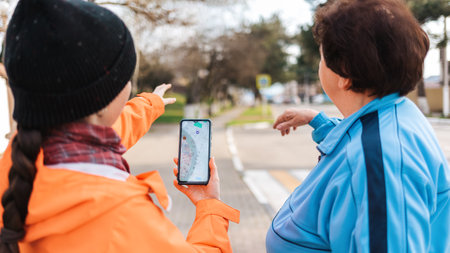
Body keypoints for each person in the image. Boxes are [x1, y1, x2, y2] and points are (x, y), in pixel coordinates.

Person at [0, 0, 239, 252]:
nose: (129, 87)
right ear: (100, 100)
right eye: (124, 79)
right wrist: (210, 206)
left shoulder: (17, 164)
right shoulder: (122, 216)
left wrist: (150, 104)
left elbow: (109, 129)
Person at [268, 0, 450, 252]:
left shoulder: (383, 160)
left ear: (344, 75)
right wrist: (318, 121)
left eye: (321, 56)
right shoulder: (397, 112)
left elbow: (372, 160)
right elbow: (362, 140)